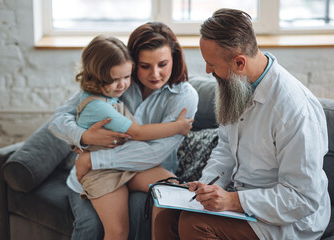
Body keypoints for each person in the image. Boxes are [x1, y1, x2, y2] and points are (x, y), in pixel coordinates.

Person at [154, 8, 330, 240]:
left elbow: (302, 198)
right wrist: (206, 186)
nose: (208, 71)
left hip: (291, 220)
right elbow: (225, 148)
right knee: (166, 217)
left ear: (239, 62)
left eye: (212, 64)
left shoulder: (294, 109)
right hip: (247, 204)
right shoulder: (236, 88)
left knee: (195, 224)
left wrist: (234, 201)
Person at [48, 22, 199, 240]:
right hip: (100, 174)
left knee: (174, 191)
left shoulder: (184, 96)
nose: (155, 74)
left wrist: (93, 160)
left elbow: (154, 154)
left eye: (163, 64)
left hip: (139, 167)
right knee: (95, 225)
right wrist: (84, 136)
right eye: (145, 66)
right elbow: (58, 119)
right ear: (132, 62)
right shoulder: (112, 80)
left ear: (175, 59)